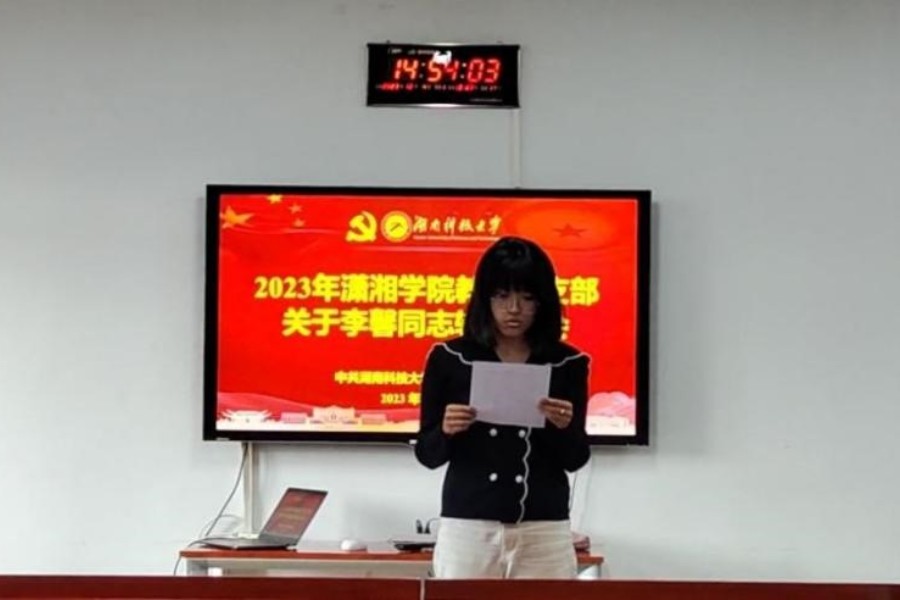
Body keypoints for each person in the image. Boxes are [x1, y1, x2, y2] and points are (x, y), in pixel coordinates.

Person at [414, 236, 590, 579]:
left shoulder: (567, 363)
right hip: (469, 524)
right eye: (502, 296)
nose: (514, 309)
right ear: (484, 300)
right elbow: (427, 454)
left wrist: (563, 426)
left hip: (544, 525)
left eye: (527, 298)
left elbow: (576, 458)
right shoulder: (451, 359)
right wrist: (446, 431)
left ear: (544, 302)